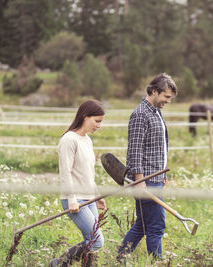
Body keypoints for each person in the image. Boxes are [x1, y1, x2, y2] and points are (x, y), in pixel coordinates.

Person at [117, 73, 177, 260]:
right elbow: (135, 150)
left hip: (156, 177)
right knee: (156, 225)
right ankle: (157, 262)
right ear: (153, 91)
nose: (168, 101)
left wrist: (163, 174)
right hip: (146, 180)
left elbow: (158, 146)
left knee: (143, 224)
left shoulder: (156, 112)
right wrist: (139, 179)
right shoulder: (140, 114)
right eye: (166, 96)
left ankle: (120, 257)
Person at [50, 100, 106, 267]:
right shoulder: (69, 139)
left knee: (91, 241)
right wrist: (72, 199)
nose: (99, 125)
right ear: (84, 116)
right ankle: (58, 263)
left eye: (101, 122)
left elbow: (88, 172)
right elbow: (65, 173)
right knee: (97, 241)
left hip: (88, 199)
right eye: (97, 121)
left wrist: (96, 195)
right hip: (74, 200)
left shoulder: (87, 140)